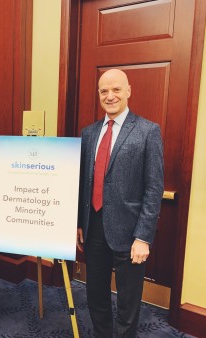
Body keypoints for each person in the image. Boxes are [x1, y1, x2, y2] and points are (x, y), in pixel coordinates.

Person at [76, 69, 164, 338]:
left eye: (116, 89)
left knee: (128, 300)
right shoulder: (89, 133)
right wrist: (80, 223)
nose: (110, 96)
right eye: (104, 91)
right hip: (94, 228)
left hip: (130, 231)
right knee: (95, 293)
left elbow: (154, 187)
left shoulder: (148, 131)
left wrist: (143, 237)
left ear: (128, 90)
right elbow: (84, 182)